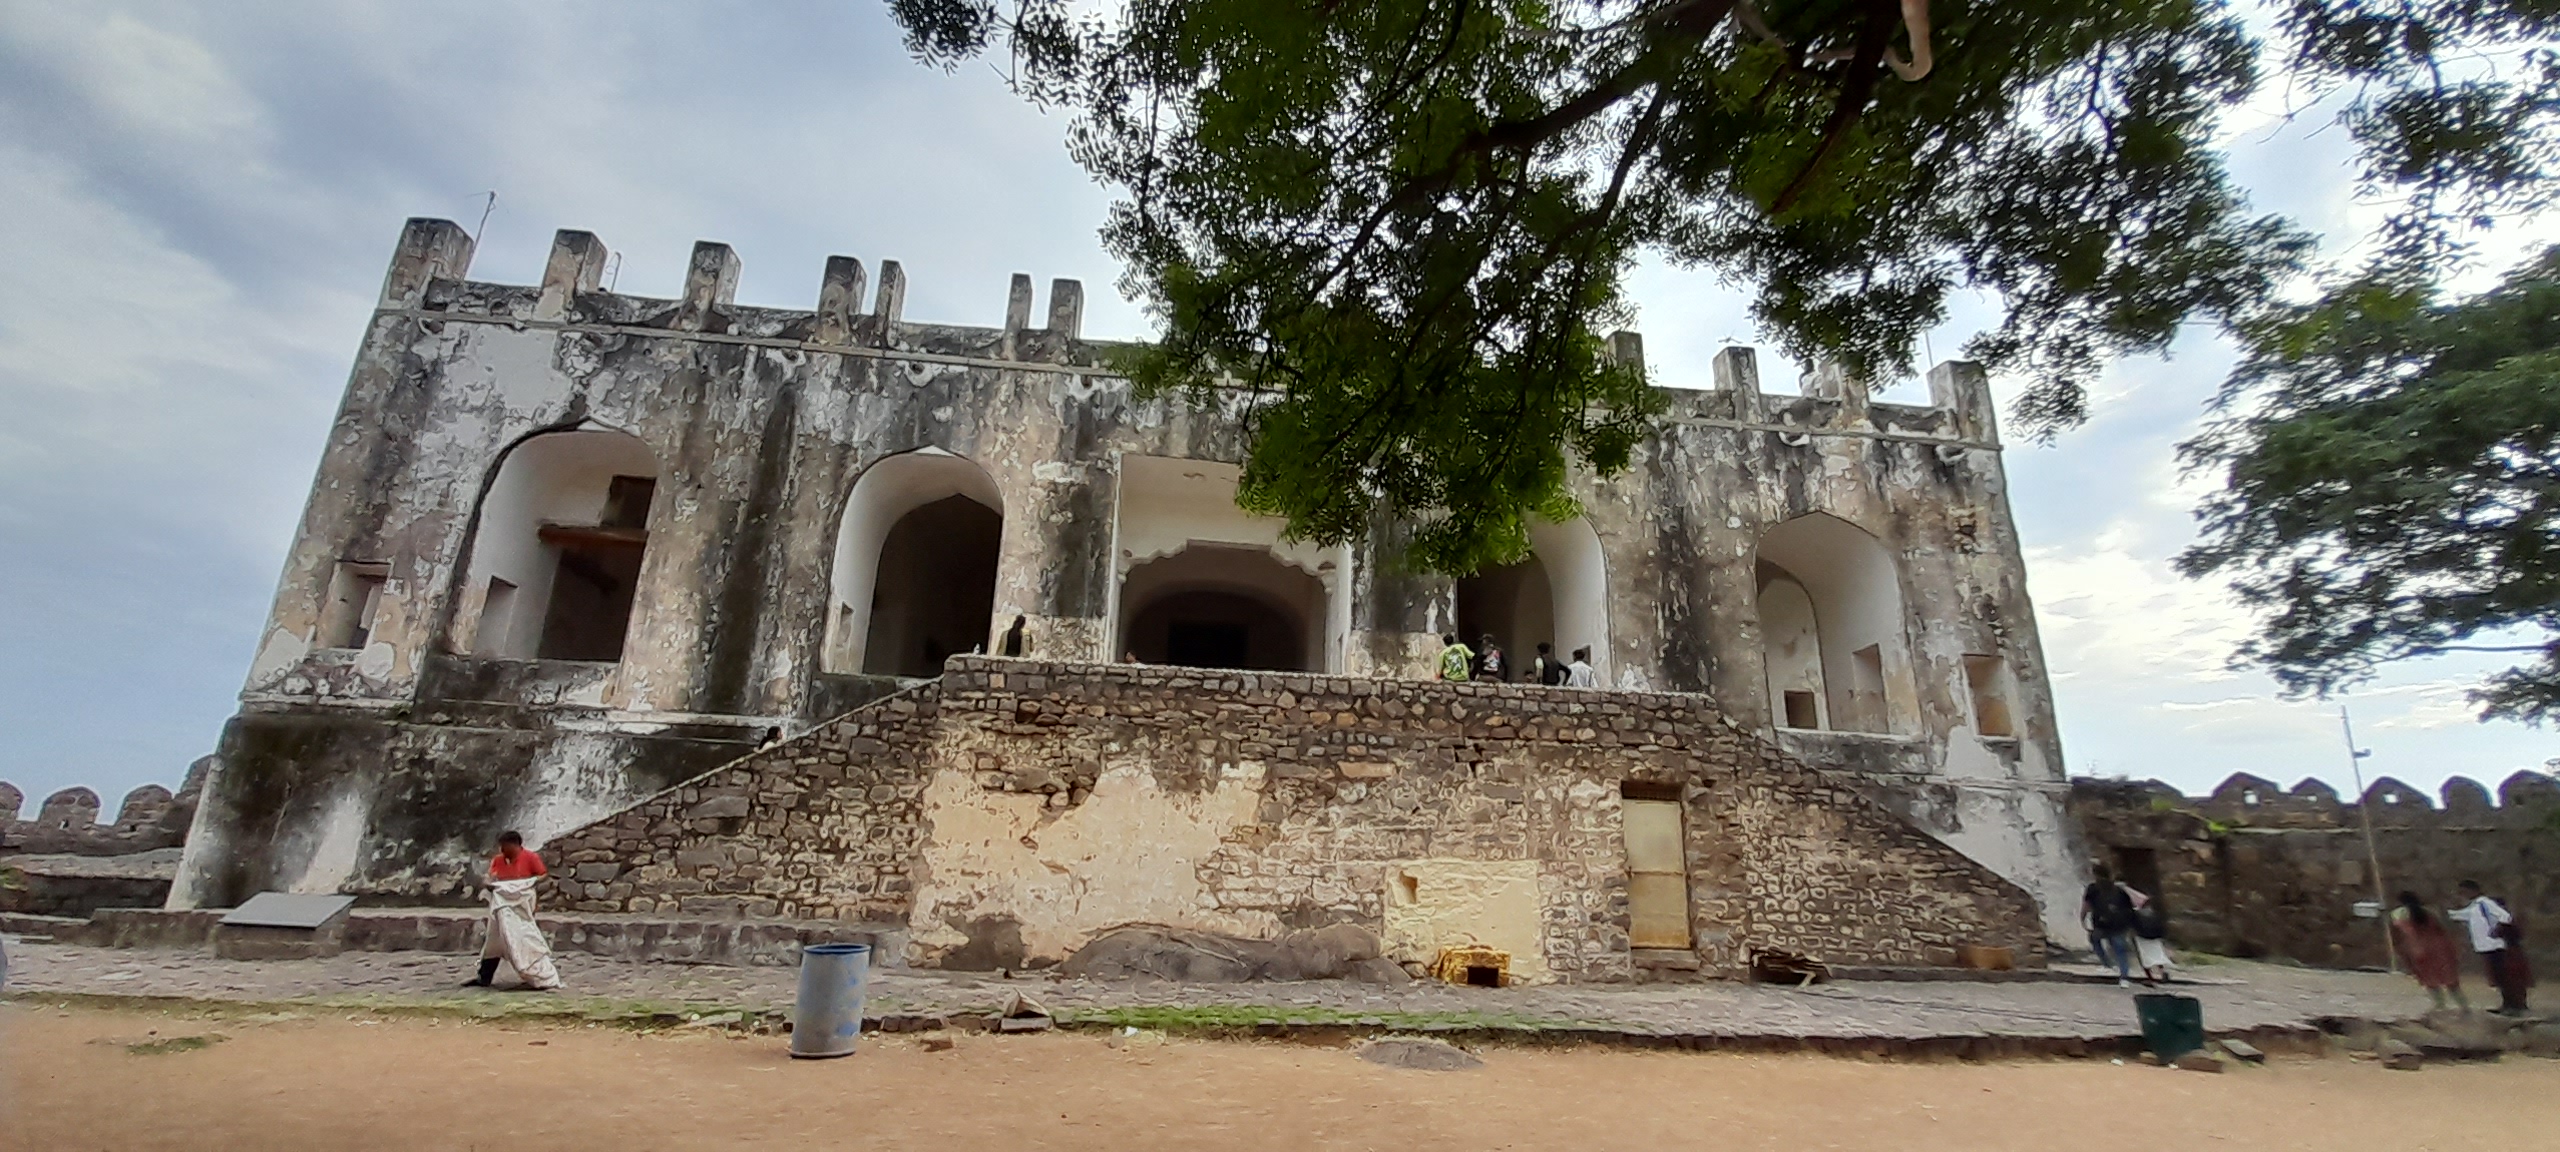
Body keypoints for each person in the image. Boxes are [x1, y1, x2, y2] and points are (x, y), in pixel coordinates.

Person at [469, 831, 561, 991]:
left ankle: (537, 973)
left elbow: (542, 875)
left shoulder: (531, 857)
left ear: (516, 845)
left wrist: (524, 884)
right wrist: (489, 883)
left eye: (505, 847)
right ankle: (484, 976)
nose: (502, 850)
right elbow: (490, 876)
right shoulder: (498, 860)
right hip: (502, 904)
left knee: (523, 936)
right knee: (495, 938)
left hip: (521, 904)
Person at [2448, 880, 2526, 1015]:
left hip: (2494, 945)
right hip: (2485, 947)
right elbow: (2460, 915)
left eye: (2464, 891)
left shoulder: (2485, 903)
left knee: (2503, 977)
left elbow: (2505, 916)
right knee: (2498, 977)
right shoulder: (2475, 906)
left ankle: (2513, 1005)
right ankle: (2507, 1004)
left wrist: (2496, 930)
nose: (2462, 895)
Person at [2389, 890, 2469, 1014]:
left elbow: (2405, 933)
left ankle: (2440, 1005)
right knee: (2450, 980)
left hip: (2420, 949)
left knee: (2430, 979)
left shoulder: (2399, 914)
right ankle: (2464, 1007)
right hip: (2440, 948)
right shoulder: (2430, 912)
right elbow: (2441, 929)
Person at [2081, 865, 2139, 986]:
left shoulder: (2093, 888)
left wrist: (2082, 919)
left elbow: (2086, 905)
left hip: (2101, 924)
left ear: (2096, 875)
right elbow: (2129, 908)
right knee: (2120, 951)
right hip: (2119, 925)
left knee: (2095, 939)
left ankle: (2107, 964)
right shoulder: (2119, 890)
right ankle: (2124, 978)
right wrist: (2131, 925)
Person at [2132, 899, 2174, 986]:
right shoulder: (2156, 914)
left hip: (2142, 938)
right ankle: (2162, 972)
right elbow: (2162, 926)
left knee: (2145, 959)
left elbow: (2133, 925)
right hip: (2155, 938)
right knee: (2158, 956)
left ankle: (2150, 978)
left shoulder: (2136, 914)